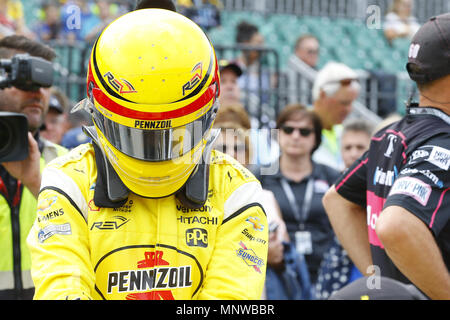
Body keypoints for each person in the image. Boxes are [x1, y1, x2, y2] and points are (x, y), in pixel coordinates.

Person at [27, 8, 268, 300]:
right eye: (136, 136)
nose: (155, 153)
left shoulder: (237, 191)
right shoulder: (68, 181)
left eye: (174, 137)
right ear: (97, 114)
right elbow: (61, 288)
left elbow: (231, 299)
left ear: (210, 115)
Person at [322, 13, 450, 300]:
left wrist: (381, 287)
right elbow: (395, 225)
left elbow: (336, 200)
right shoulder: (443, 143)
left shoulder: (391, 133)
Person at [0, 35, 67, 300]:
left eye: (44, 81)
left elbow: (90, 235)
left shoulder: (67, 163)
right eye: (25, 80)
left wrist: (37, 183)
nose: (38, 92)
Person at [257, 103, 340, 289]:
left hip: (326, 272)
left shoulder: (333, 177)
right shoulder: (259, 177)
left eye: (304, 132)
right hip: (276, 272)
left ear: (316, 139)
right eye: (288, 129)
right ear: (278, 134)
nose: (295, 136)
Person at [212, 104, 289, 299]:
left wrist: (272, 250)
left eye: (238, 148)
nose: (231, 154)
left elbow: (284, 253)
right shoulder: (194, 200)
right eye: (222, 148)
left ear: (248, 154)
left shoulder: (265, 197)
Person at [314, 118, 373, 299]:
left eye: (360, 147)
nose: (353, 153)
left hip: (368, 262)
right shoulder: (330, 183)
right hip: (335, 266)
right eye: (348, 148)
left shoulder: (379, 187)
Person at [311, 62, 361, 171]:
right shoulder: (292, 128)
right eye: (344, 103)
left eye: (351, 103)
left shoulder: (343, 131)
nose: (349, 109)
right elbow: (270, 171)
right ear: (323, 95)